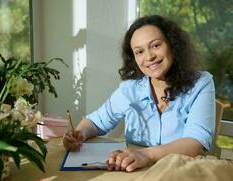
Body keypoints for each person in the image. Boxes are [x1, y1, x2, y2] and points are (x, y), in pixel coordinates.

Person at [63, 15, 215, 172]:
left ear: (172, 45)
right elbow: (95, 122)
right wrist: (79, 134)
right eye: (139, 52)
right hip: (133, 173)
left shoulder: (201, 83)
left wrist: (146, 155)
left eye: (156, 45)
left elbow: (197, 143)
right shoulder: (129, 89)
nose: (149, 57)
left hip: (179, 174)